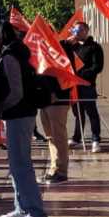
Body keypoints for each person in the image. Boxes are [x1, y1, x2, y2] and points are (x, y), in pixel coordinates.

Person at [0, 23, 49, 217]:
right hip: (20, 113)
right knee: (17, 164)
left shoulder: (10, 57)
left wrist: (1, 108)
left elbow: (16, 91)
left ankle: (35, 212)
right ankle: (21, 207)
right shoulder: (16, 54)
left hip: (18, 114)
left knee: (20, 164)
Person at [68, 23, 105, 152]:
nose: (77, 32)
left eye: (80, 30)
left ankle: (96, 139)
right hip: (74, 86)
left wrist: (81, 75)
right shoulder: (73, 47)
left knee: (92, 113)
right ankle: (77, 138)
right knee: (78, 113)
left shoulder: (94, 47)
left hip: (87, 85)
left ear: (86, 31)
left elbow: (97, 67)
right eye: (74, 30)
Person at [38, 55, 72, 185]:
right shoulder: (42, 49)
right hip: (44, 99)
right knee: (51, 137)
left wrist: (54, 92)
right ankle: (54, 168)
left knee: (58, 136)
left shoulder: (60, 50)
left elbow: (68, 73)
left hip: (58, 99)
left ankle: (61, 171)